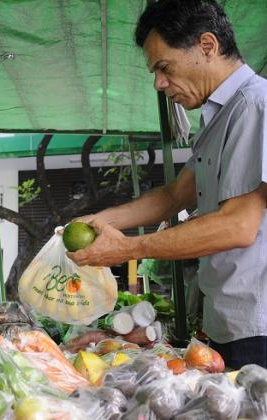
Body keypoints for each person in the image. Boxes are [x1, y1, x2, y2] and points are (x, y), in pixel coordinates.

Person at [68, 0, 267, 369]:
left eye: (163, 67)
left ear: (207, 46)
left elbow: (238, 225)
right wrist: (102, 220)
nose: (159, 83)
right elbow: (174, 195)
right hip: (229, 324)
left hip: (258, 328)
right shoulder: (217, 120)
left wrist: (128, 249)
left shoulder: (256, 106)